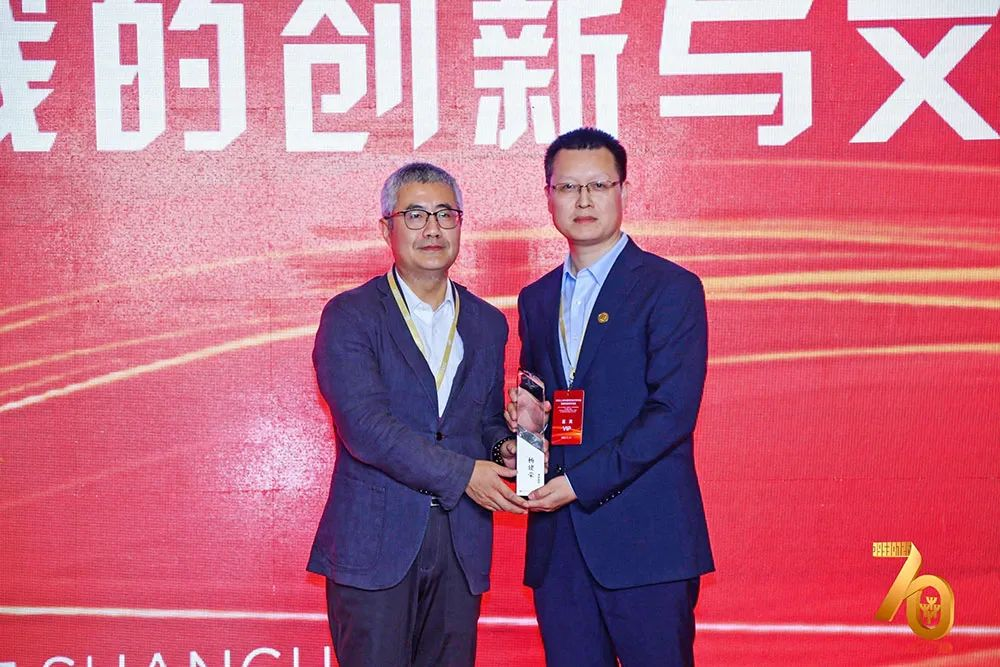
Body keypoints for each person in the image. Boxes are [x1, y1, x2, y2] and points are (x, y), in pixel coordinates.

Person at [308, 162, 527, 667]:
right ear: (385, 228)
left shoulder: (487, 322)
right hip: (375, 545)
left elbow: (484, 422)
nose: (432, 228)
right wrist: (464, 473)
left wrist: (507, 447)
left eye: (445, 214)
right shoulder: (351, 315)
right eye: (415, 214)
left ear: (460, 224)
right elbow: (365, 428)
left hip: (460, 542)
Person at [509, 128, 714, 666]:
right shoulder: (536, 298)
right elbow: (539, 407)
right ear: (548, 195)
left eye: (598, 185)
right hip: (560, 547)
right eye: (567, 187)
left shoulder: (670, 288)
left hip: (646, 542)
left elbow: (671, 414)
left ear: (623, 190)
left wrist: (576, 484)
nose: (583, 200)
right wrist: (523, 453)